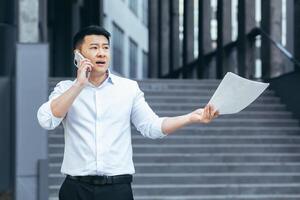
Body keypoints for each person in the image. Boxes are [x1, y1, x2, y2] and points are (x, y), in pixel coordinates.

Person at [37, 25, 219, 200]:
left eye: (105, 48)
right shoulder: (66, 89)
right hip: (75, 190)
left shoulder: (128, 89)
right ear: (78, 55)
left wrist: (190, 118)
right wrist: (79, 85)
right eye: (94, 48)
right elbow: (46, 120)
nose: (101, 53)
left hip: (117, 190)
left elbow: (152, 127)